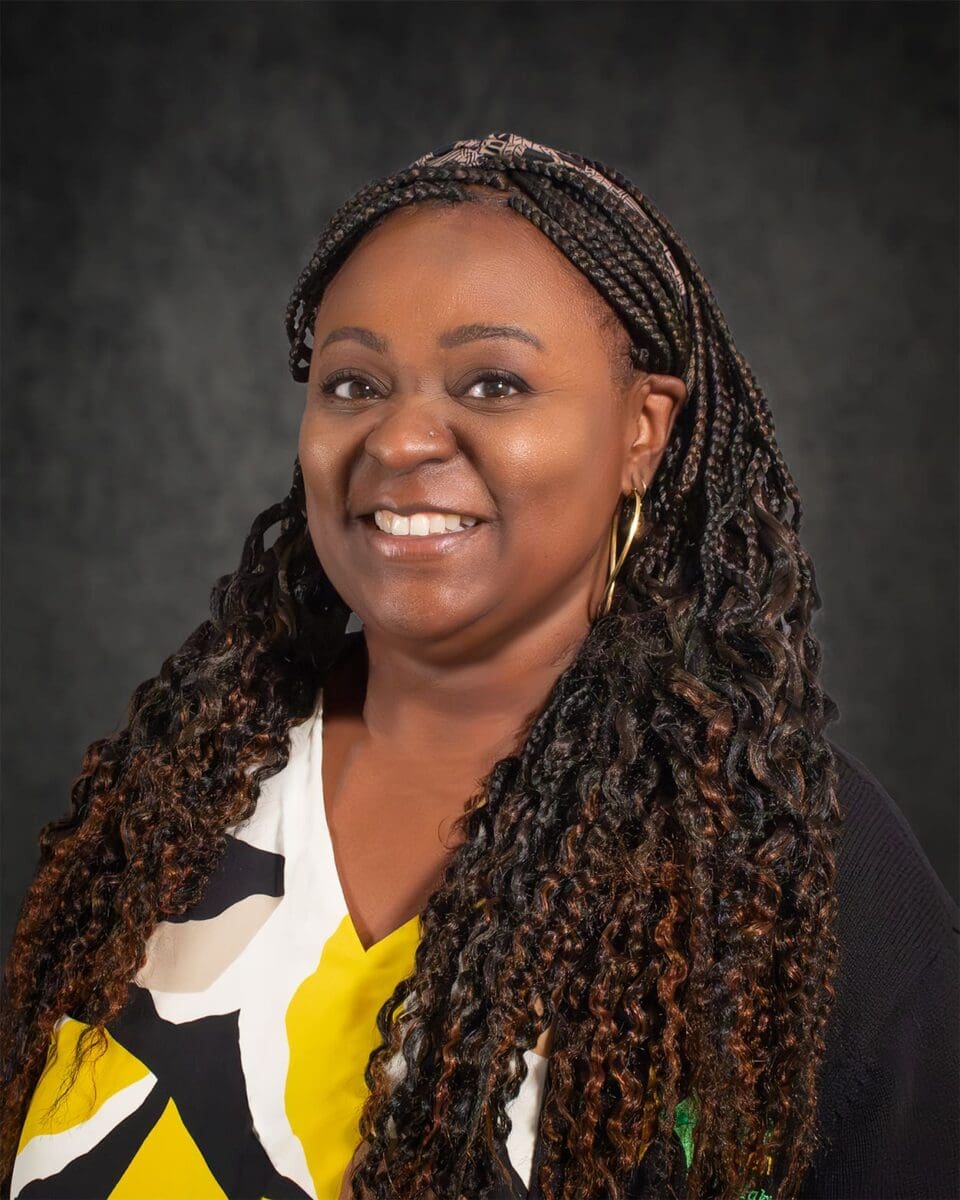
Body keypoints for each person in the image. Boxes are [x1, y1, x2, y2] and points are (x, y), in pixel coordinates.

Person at [1, 132, 956, 1200]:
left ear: (644, 428)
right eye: (354, 384)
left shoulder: (795, 872)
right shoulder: (176, 803)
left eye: (494, 382)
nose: (401, 439)